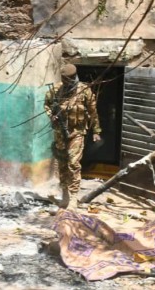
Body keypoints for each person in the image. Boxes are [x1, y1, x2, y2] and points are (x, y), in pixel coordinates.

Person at [44, 64, 101, 210]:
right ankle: (65, 195)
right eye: (65, 80)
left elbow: (93, 111)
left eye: (70, 79)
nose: (68, 82)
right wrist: (52, 116)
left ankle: (74, 197)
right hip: (60, 133)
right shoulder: (56, 90)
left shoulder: (84, 90)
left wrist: (96, 131)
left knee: (73, 163)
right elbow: (46, 104)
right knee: (62, 163)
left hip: (76, 132)